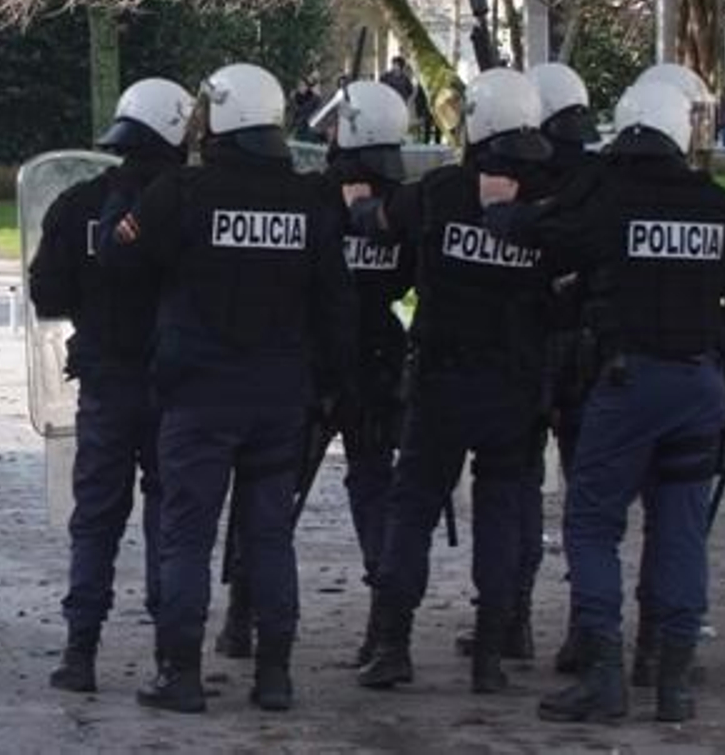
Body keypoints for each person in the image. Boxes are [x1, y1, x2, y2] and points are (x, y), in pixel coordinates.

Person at [481, 77, 725, 724]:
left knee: (592, 523)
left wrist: (501, 214)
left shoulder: (610, 199)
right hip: (700, 387)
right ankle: (671, 680)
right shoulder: (719, 207)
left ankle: (604, 670)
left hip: (629, 382)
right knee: (680, 526)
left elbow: (548, 237)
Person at [101, 63, 358, 713]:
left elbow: (120, 257)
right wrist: (330, 384)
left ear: (218, 119)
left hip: (199, 394)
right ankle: (275, 676)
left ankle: (179, 673)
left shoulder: (183, 192)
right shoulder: (311, 199)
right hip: (279, 396)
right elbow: (335, 304)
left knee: (188, 534)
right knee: (269, 537)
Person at [351, 67, 553, 697]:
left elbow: (379, 222)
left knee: (411, 510)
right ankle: (489, 654)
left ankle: (392, 645)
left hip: (442, 382)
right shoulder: (551, 199)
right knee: (498, 513)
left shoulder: (443, 189)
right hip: (514, 386)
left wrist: (353, 203)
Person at [215, 80, 415, 669]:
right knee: (375, 490)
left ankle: (243, 617)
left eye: (336, 126)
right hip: (377, 358)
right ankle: (387, 633)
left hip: (310, 361)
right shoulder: (403, 206)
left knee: (271, 494)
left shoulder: (310, 197)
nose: (326, 133)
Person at [30, 77, 194, 695]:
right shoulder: (190, 205)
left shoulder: (77, 205)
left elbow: (48, 292)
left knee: (95, 518)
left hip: (104, 382)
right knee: (170, 517)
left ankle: (80, 652)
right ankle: (168, 655)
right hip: (177, 386)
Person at [455, 62, 602, 668]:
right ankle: (586, 628)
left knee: (518, 484)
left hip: (537, 346)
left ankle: (511, 617)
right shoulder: (601, 176)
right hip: (592, 352)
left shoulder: (526, 175)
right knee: (588, 498)